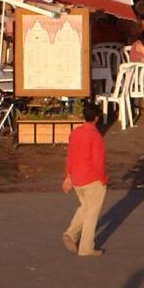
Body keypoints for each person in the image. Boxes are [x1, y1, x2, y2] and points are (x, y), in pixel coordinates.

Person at [60, 110, 108, 258]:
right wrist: (103, 179)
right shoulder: (96, 136)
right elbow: (98, 162)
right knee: (91, 214)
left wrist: (68, 176)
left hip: (76, 179)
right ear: (96, 118)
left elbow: (70, 156)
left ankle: (71, 234)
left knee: (85, 207)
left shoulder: (76, 133)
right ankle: (86, 248)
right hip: (92, 179)